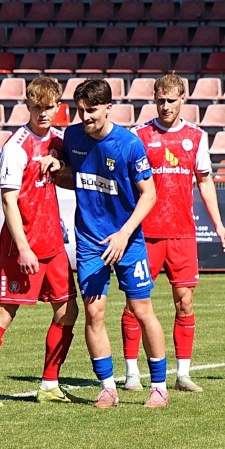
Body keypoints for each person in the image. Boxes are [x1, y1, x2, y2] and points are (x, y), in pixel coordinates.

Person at [120, 73, 225, 393]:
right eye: (160, 100)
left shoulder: (196, 137)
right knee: (134, 303)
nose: (165, 106)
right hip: (145, 235)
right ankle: (132, 373)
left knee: (184, 302)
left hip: (183, 234)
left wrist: (218, 225)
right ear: (154, 99)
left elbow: (204, 181)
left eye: (171, 100)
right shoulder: (139, 136)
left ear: (183, 99)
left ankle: (183, 373)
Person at [0, 76, 79, 407]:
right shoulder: (15, 147)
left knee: (68, 311)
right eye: (37, 107)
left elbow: (73, 180)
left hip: (54, 244)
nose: (43, 113)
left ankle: (49, 384)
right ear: (27, 106)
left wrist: (61, 166)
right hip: (24, 246)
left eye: (49, 108)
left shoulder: (59, 142)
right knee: (4, 312)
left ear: (59, 108)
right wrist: (24, 247)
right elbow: (8, 201)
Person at [61, 77, 168, 409]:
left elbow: (149, 194)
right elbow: (73, 176)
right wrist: (55, 169)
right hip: (90, 242)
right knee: (94, 313)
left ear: (109, 107)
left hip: (127, 240)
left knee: (141, 309)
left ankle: (159, 388)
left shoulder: (129, 144)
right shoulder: (73, 136)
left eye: (91, 111)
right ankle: (108, 388)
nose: (85, 118)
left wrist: (124, 234)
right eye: (80, 111)